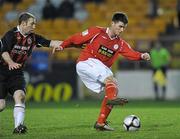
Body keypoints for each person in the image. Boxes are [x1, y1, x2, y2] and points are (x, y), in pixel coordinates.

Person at [53, 12, 150, 131]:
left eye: (124, 27)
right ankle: (111, 100)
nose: (122, 30)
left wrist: (142, 55)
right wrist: (62, 46)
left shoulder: (120, 43)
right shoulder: (97, 32)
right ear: (112, 23)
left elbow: (131, 54)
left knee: (113, 86)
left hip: (94, 69)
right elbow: (76, 38)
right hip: (87, 61)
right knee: (110, 82)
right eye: (120, 26)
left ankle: (101, 122)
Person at [0, 12, 61, 134]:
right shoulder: (10, 35)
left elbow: (50, 42)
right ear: (23, 23)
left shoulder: (33, 38)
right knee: (1, 105)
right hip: (1, 72)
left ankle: (18, 127)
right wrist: (11, 62)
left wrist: (71, 44)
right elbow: (4, 52)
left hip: (17, 73)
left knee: (20, 96)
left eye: (35, 24)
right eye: (32, 24)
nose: (34, 26)